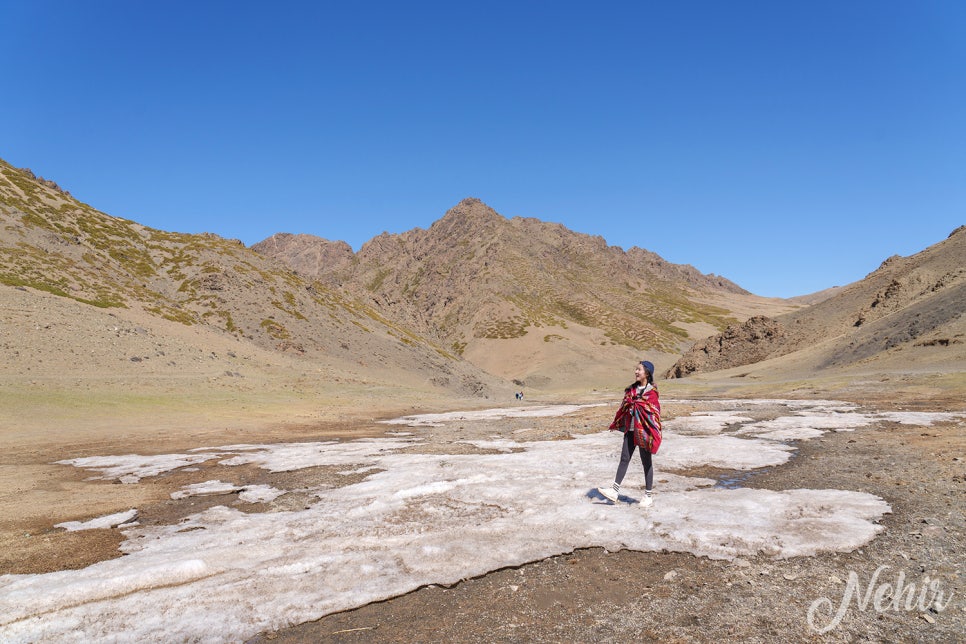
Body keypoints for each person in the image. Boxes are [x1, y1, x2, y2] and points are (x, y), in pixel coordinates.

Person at [598, 360, 661, 507]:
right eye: (636, 369)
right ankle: (614, 491)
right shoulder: (631, 390)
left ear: (647, 373)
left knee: (646, 463)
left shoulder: (652, 392)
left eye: (639, 370)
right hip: (630, 430)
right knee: (624, 459)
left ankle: (648, 495)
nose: (636, 372)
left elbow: (654, 413)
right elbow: (624, 408)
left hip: (644, 432)